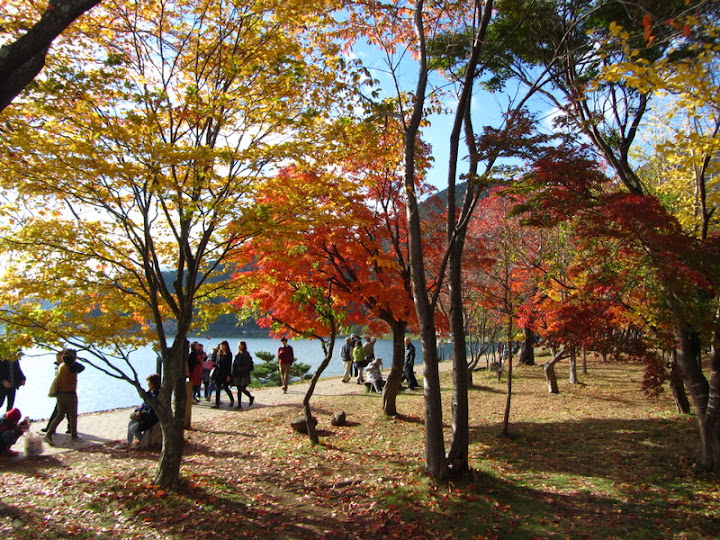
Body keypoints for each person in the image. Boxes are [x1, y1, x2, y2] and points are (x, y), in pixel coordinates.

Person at [44, 349, 85, 446]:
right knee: (73, 415)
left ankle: (49, 434)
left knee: (60, 415)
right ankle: (74, 435)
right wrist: (74, 359)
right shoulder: (70, 367)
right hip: (69, 394)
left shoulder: (61, 366)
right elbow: (82, 367)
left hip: (60, 394)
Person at [121, 374, 160, 448]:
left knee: (133, 428)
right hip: (145, 416)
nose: (148, 384)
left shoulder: (156, 395)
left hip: (151, 419)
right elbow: (143, 405)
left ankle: (143, 442)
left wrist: (141, 415)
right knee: (131, 422)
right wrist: (138, 411)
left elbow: (151, 410)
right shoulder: (150, 394)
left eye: (149, 383)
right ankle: (129, 442)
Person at [232, 341, 255, 410]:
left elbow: (248, 365)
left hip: (244, 374)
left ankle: (250, 397)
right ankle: (239, 404)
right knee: (238, 389)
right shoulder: (238, 354)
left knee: (242, 388)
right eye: (238, 345)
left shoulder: (246, 354)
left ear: (243, 346)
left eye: (240, 345)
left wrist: (243, 370)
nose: (239, 346)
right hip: (237, 374)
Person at [211, 341, 234, 408]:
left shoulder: (229, 354)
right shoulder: (219, 353)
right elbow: (217, 363)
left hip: (225, 373)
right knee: (217, 388)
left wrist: (228, 375)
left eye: (222, 345)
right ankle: (217, 403)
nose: (221, 347)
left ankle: (232, 399)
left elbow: (229, 365)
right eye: (220, 345)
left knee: (225, 387)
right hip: (218, 373)